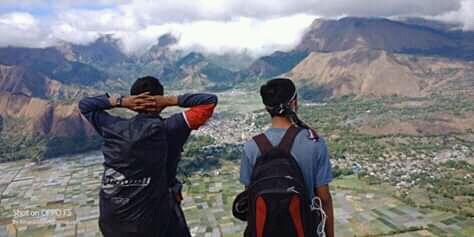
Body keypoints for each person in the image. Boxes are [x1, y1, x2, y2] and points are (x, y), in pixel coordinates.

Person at [79, 76, 218, 237]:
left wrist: (122, 101)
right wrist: (168, 100)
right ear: (159, 99)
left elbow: (85, 106)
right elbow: (209, 101)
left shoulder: (112, 127)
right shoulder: (171, 128)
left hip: (112, 221)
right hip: (155, 221)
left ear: (134, 101)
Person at [238, 78, 334, 237]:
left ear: (266, 107)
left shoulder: (251, 147)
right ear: (294, 102)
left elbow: (251, 199)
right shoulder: (315, 143)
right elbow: (324, 199)